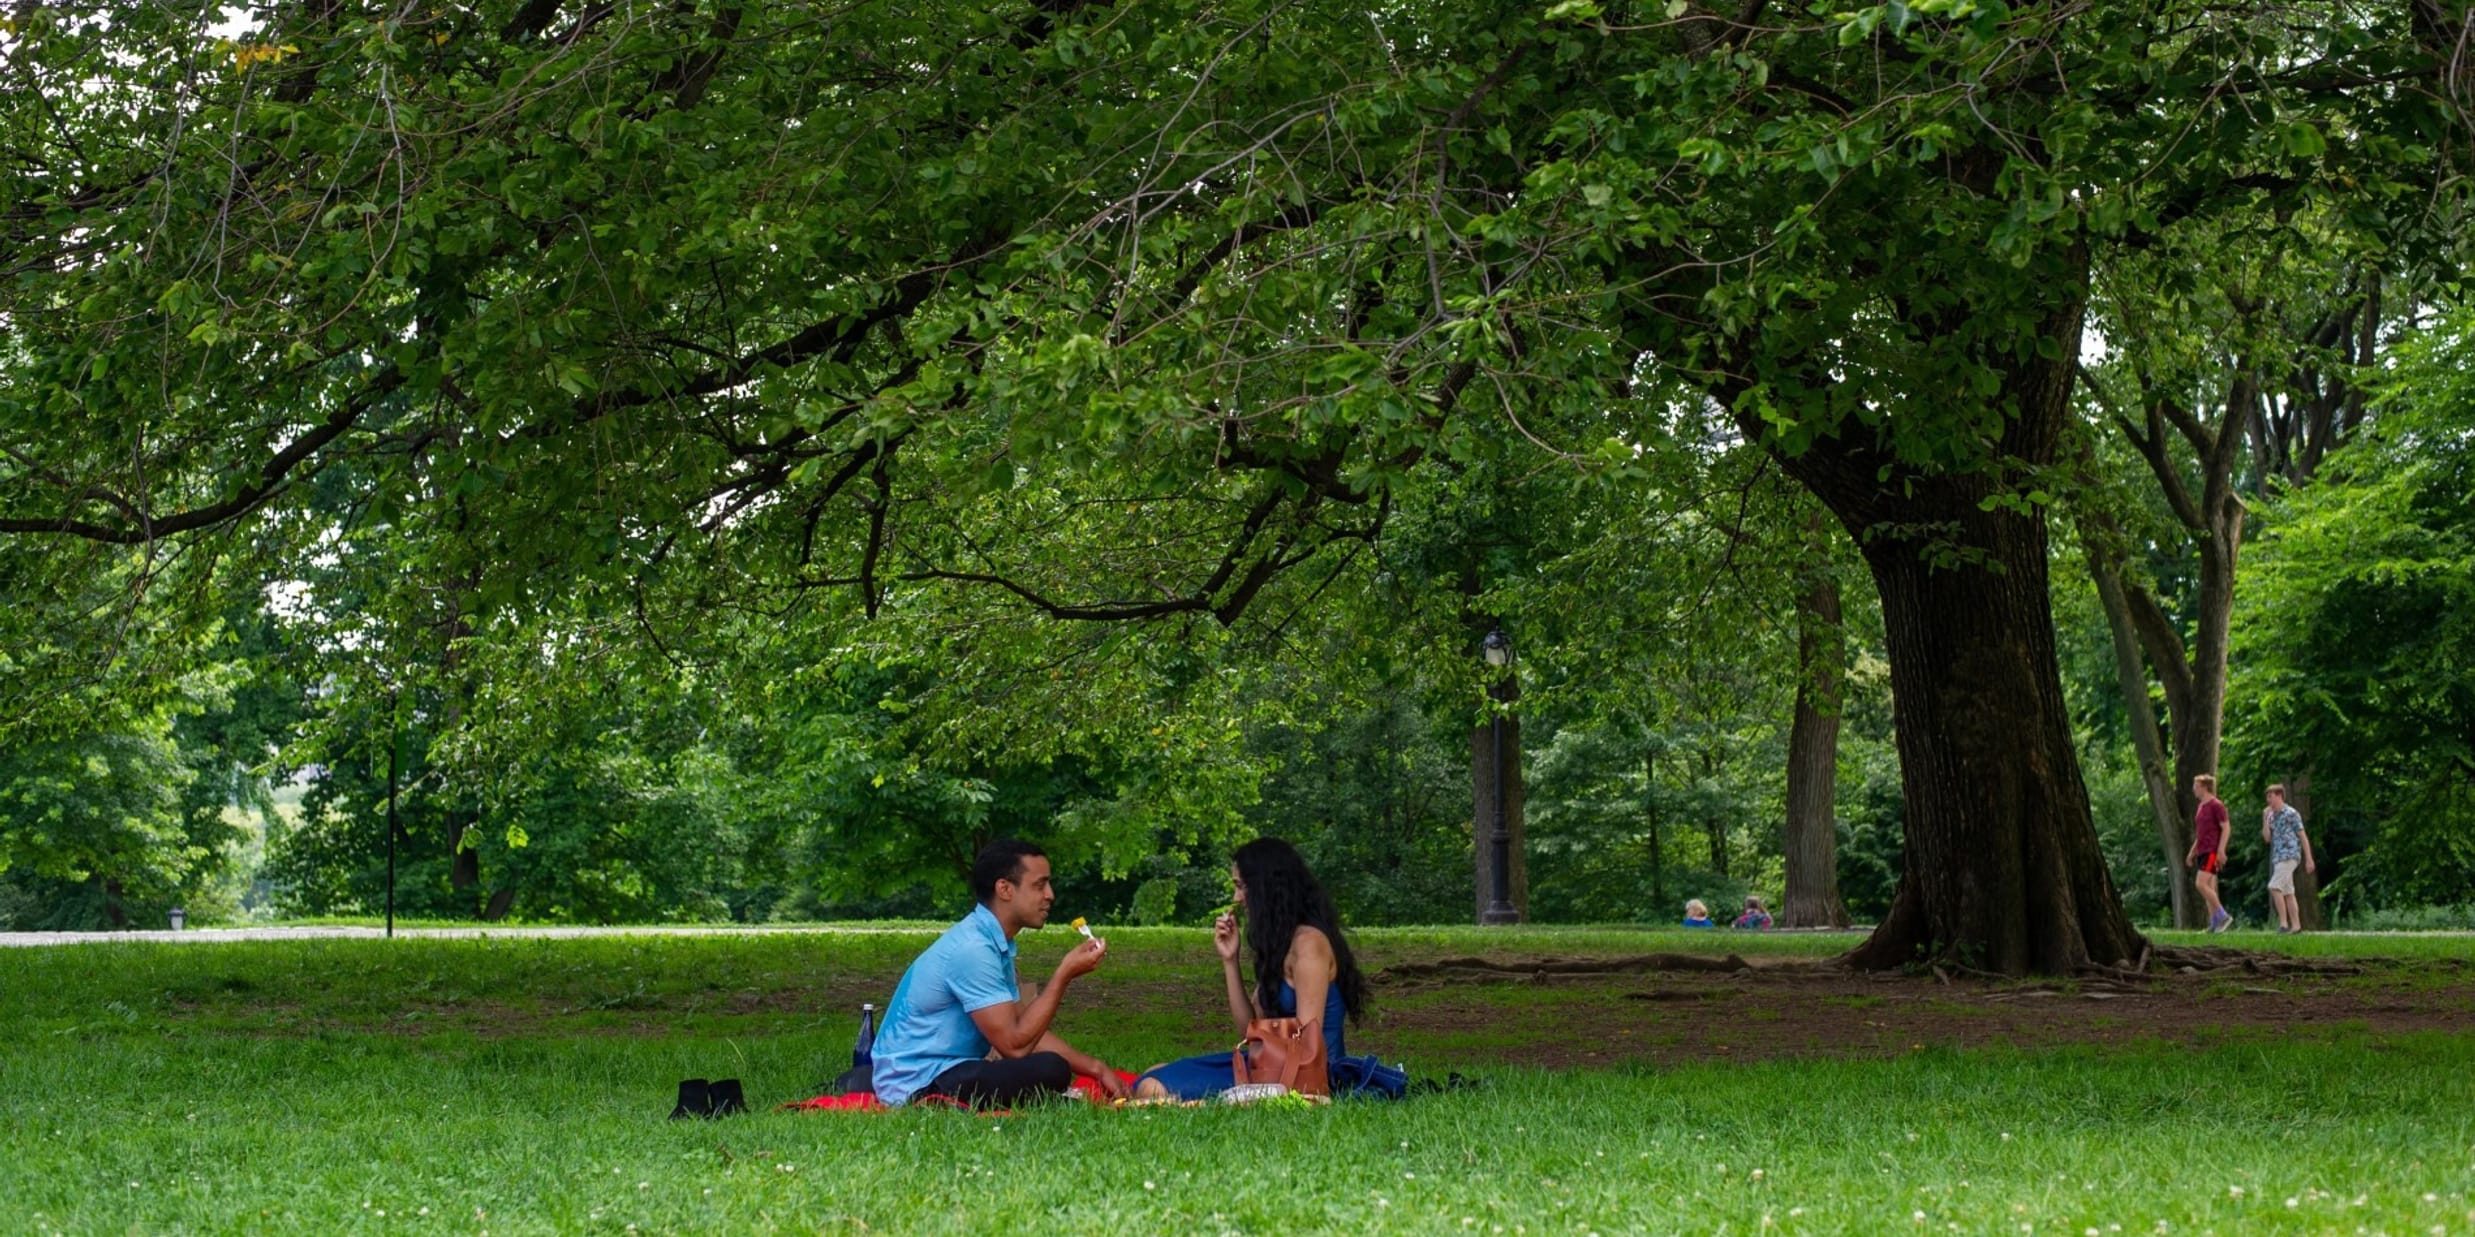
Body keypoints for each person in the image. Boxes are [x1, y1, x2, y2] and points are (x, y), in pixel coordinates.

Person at [869, 839, 1128, 1108]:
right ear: (1004, 889)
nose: (1050, 894)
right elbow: (1014, 1046)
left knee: (1050, 1068)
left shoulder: (991, 942)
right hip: (917, 1082)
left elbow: (1022, 1027)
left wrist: (1096, 1068)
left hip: (951, 1069)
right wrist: (1064, 975)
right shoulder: (973, 949)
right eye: (1039, 885)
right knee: (1051, 1069)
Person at [1133, 838, 1370, 1101]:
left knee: (1152, 1088)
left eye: (1241, 887)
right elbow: (1249, 1031)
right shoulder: (1281, 942)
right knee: (1152, 1074)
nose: (1236, 898)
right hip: (1270, 1064)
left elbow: (1307, 1046)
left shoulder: (1309, 946)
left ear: (1266, 887)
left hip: (1306, 1077)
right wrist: (1229, 960)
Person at [2262, 784, 2317, 935]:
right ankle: (2296, 926)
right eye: (2267, 797)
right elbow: (2267, 839)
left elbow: (2303, 836)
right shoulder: (2272, 816)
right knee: (2288, 892)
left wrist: (2309, 859)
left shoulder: (2291, 813)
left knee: (2274, 886)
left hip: (2290, 855)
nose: (2268, 801)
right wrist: (2265, 819)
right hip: (2278, 857)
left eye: (2270, 796)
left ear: (2279, 796)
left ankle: (2283, 924)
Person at [2187, 773, 2233, 932]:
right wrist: (2192, 852)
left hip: (2211, 850)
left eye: (2196, 786)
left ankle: (2223, 916)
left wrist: (2221, 849)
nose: (2194, 789)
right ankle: (2214, 923)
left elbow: (2226, 827)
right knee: (2209, 887)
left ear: (2204, 787)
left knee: (2200, 884)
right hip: (2202, 850)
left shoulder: (2216, 805)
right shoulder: (2201, 807)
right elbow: (2200, 833)